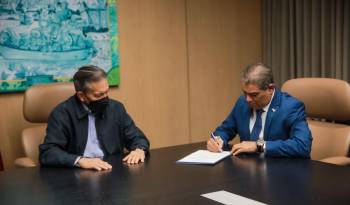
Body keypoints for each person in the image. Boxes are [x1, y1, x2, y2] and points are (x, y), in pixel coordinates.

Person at [39, 65, 150, 170]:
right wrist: (80, 161)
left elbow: (137, 137)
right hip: (77, 175)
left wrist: (139, 149)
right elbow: (48, 152)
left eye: (106, 92)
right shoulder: (62, 113)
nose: (105, 98)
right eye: (99, 95)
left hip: (112, 170)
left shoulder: (116, 108)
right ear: (81, 96)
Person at [207, 63, 312, 157]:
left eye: (254, 95)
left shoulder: (291, 107)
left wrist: (258, 146)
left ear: (270, 89)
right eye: (245, 93)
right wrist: (217, 140)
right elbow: (225, 129)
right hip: (247, 169)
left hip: (280, 171)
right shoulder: (242, 102)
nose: (247, 99)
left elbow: (303, 145)